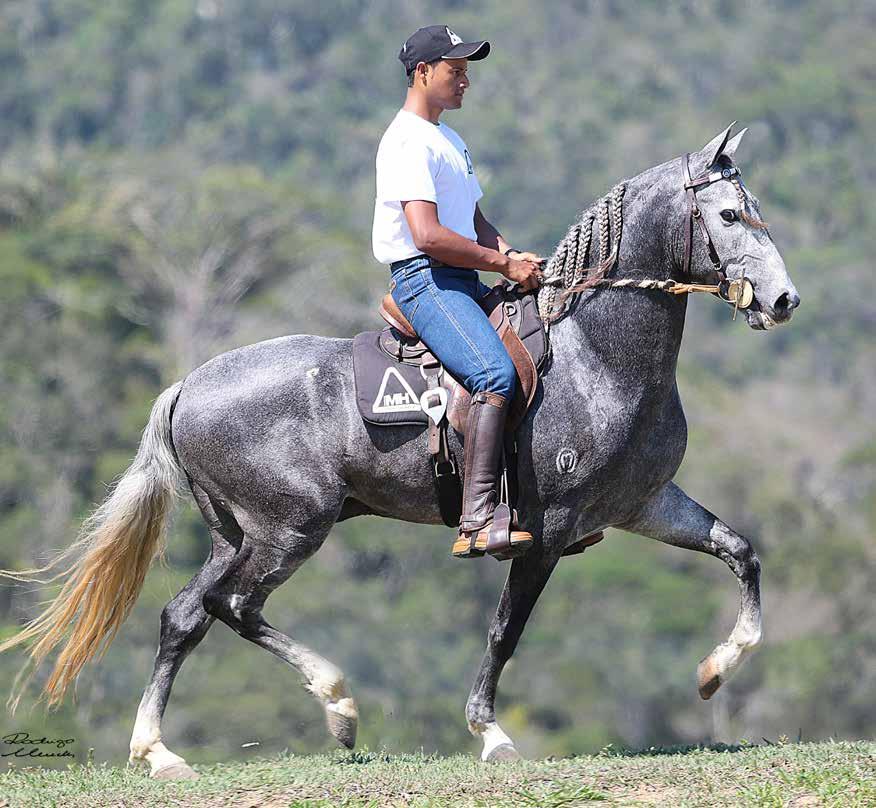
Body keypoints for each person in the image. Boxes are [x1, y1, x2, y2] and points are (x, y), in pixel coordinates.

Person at [371, 24, 544, 560]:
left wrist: (515, 257)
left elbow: (472, 221)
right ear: (423, 73)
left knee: (540, 348)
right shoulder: (405, 142)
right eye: (456, 70)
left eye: (467, 70)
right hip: (426, 280)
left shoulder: (449, 140)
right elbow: (427, 235)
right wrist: (501, 263)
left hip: (463, 276)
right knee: (493, 374)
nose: (466, 80)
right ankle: (476, 518)